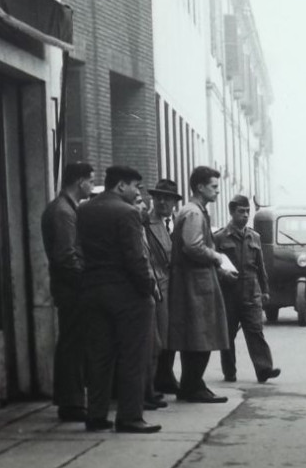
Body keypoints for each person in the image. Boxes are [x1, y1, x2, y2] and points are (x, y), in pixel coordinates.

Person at [76, 165, 160, 434]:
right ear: (121, 185)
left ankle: (97, 415)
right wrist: (147, 288)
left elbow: (78, 251)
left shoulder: (85, 209)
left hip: (93, 291)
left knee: (100, 357)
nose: (137, 192)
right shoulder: (127, 212)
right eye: (135, 186)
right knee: (133, 357)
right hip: (127, 295)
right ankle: (129, 417)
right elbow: (136, 257)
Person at [168, 165, 237, 402]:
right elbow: (193, 246)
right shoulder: (195, 214)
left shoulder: (192, 211)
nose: (218, 191)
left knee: (195, 335)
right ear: (200, 187)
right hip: (195, 284)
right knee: (201, 334)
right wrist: (217, 258)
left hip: (194, 280)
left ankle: (192, 384)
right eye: (214, 187)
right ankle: (193, 387)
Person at [41, 161, 93, 422]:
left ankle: (70, 400)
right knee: (73, 343)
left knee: (72, 342)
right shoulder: (64, 212)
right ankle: (71, 403)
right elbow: (66, 256)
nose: (91, 186)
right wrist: (86, 280)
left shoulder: (65, 208)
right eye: (90, 181)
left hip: (69, 287)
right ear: (79, 181)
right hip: (72, 288)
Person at [216, 194, 280, 383]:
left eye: (247, 212)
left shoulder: (255, 237)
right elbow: (213, 266)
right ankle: (229, 371)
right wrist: (223, 275)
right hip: (228, 294)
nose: (244, 215)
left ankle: (264, 369)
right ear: (231, 212)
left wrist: (266, 290)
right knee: (227, 334)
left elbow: (260, 267)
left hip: (251, 293)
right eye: (240, 211)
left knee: (255, 331)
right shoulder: (219, 237)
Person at [144, 178, 182, 401]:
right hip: (159, 284)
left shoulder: (178, 222)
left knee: (173, 333)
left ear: (174, 202)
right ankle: (158, 379)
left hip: (177, 284)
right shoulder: (146, 223)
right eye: (158, 197)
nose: (162, 202)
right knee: (160, 335)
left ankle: (166, 376)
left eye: (167, 198)